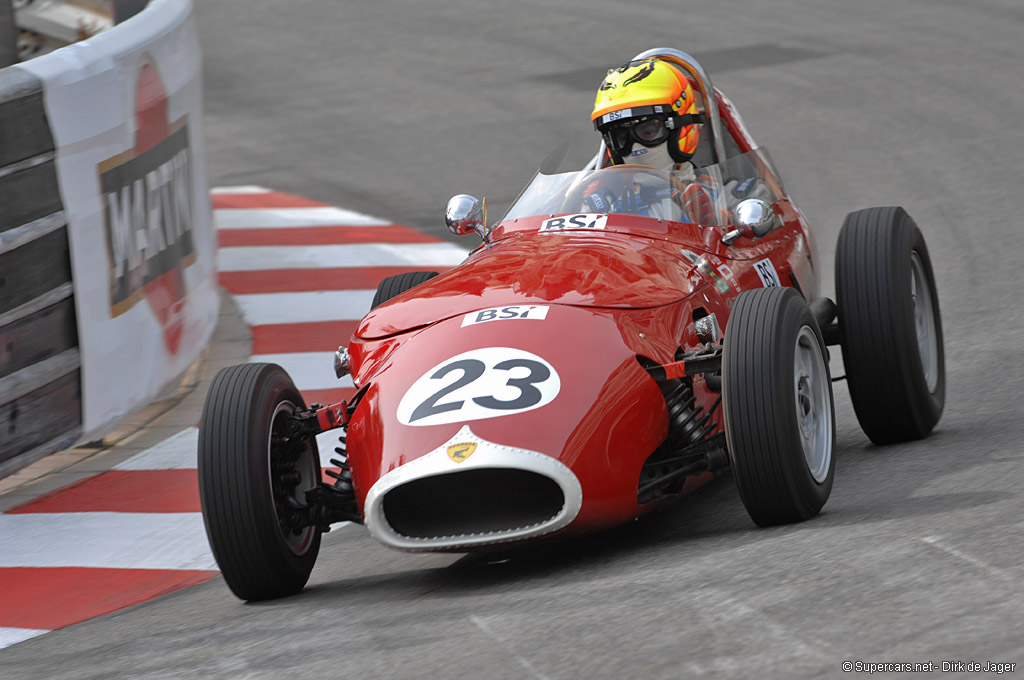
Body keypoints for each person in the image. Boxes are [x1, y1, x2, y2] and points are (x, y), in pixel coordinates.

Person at [589, 57, 719, 224]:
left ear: (681, 126)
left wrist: (720, 221)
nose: (635, 147)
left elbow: (756, 238)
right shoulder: (603, 207)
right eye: (621, 137)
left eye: (648, 131)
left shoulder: (728, 194)